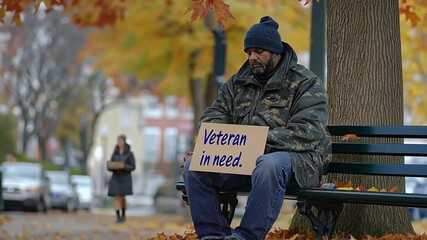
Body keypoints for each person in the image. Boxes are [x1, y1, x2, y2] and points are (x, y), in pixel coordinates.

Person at [183, 16, 332, 240]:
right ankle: (213, 235)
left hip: (298, 161)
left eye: (259, 51)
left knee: (268, 164)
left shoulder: (305, 83)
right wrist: (217, 143)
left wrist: (254, 142)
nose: (253, 57)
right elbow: (212, 117)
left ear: (276, 52)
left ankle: (246, 236)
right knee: (193, 167)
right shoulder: (236, 83)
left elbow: (308, 132)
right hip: (243, 159)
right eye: (249, 52)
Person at [107, 134, 136, 223]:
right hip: (116, 177)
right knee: (116, 197)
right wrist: (111, 166)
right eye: (118, 141)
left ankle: (123, 215)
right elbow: (110, 165)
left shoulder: (130, 154)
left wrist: (124, 166)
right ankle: (118, 216)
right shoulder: (114, 153)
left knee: (123, 197)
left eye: (121, 141)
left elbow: (133, 166)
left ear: (124, 142)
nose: (119, 142)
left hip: (125, 178)